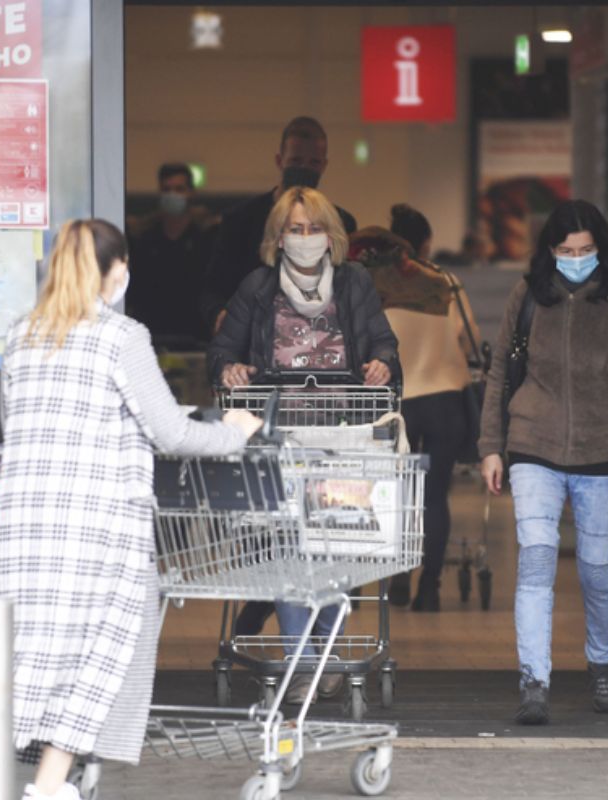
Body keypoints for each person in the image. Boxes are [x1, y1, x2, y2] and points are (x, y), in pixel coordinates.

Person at [0, 219, 262, 800]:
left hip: (23, 525)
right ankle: (48, 787)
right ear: (115, 271)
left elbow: (13, 422)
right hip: (97, 524)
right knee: (97, 650)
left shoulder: (20, 334)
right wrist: (234, 432)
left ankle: (42, 779)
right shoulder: (120, 336)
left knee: (33, 650)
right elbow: (171, 432)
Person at [477, 200, 608, 725]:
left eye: (586, 250)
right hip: (533, 444)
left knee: (597, 571)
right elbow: (500, 376)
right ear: (551, 250)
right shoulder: (528, 294)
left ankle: (602, 666)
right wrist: (492, 446)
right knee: (536, 562)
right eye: (566, 250)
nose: (577, 258)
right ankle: (533, 680)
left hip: (604, 448)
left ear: (600, 247)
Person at [208, 187, 399, 703]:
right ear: (278, 237)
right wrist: (230, 368)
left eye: (315, 229)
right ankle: (302, 660)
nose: (306, 238)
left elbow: (384, 343)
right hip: (279, 439)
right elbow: (222, 350)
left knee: (334, 547)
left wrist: (382, 364)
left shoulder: (355, 284)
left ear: (331, 236)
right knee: (287, 549)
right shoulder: (257, 288)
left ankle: (328, 651)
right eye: (296, 229)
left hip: (342, 435)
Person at [348, 204, 482, 611]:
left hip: (395, 403)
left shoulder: (374, 284)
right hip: (446, 400)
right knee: (434, 495)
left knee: (393, 492)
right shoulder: (445, 282)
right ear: (424, 244)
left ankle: (400, 574)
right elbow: (469, 337)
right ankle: (430, 589)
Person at [201, 116, 358, 332]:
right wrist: (220, 315)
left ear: (324, 165)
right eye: (296, 161)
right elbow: (213, 289)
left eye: (313, 162)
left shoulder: (342, 222)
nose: (304, 168)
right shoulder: (240, 220)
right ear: (279, 160)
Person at [124, 163, 217, 347]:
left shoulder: (207, 239)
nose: (172, 195)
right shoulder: (144, 239)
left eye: (179, 189)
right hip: (151, 335)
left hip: (196, 336)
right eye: (166, 189)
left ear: (191, 193)